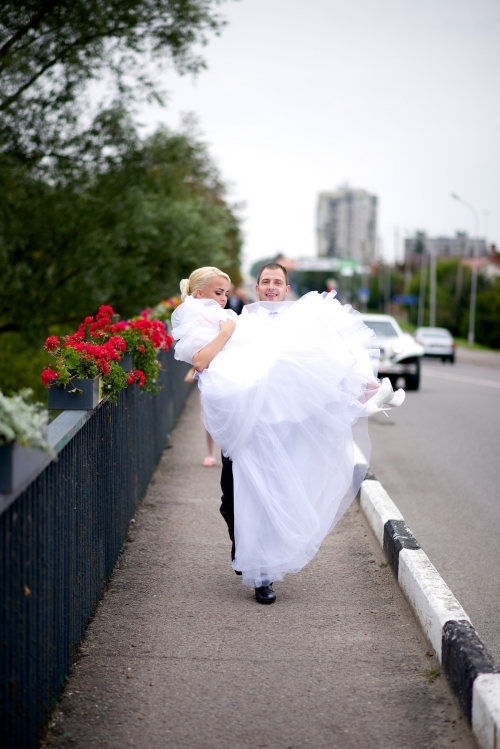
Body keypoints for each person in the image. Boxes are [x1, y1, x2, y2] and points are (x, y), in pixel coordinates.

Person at [171, 264, 404, 605]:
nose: (270, 287)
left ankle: (261, 573)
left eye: (276, 282)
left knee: (266, 495)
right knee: (230, 501)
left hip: (273, 420)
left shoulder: (269, 319)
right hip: (241, 417)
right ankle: (245, 552)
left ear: (285, 287)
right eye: (264, 281)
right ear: (255, 287)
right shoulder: (233, 318)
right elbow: (206, 358)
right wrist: (229, 330)